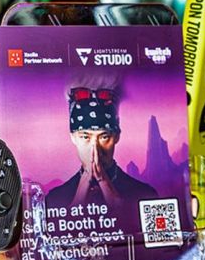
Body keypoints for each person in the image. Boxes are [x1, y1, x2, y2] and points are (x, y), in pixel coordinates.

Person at [46, 78, 157, 216]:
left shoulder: (146, 195)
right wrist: (76, 205)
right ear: (73, 138)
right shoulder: (54, 200)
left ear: (116, 136)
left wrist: (115, 200)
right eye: (85, 137)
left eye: (104, 137)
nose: (95, 151)